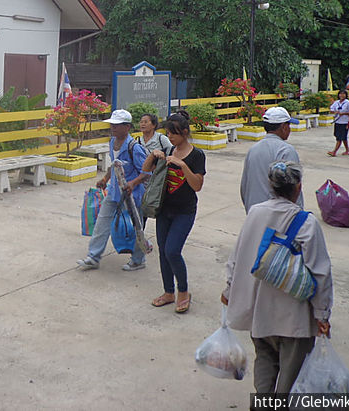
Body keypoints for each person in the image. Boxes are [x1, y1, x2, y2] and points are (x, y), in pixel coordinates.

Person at [222, 161, 333, 394]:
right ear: (298, 186)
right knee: (290, 380)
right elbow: (320, 272)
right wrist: (322, 314)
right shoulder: (306, 222)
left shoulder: (255, 213)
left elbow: (237, 255)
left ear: (270, 185)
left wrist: (229, 290)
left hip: (259, 314)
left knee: (264, 363)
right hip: (294, 319)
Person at [142, 110, 205, 313]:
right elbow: (146, 169)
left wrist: (182, 165)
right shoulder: (169, 151)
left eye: (174, 134)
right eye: (168, 134)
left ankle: (183, 291)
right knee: (163, 252)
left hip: (184, 211)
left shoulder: (196, 155)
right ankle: (169, 292)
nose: (170, 137)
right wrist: (153, 155)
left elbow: (197, 185)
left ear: (185, 133)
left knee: (172, 250)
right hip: (164, 210)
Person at [78, 109, 149, 271]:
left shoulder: (135, 148)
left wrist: (132, 183)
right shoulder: (112, 142)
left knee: (137, 227)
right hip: (114, 193)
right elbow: (114, 164)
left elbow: (146, 173)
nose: (113, 128)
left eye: (117, 125)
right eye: (112, 125)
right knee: (102, 224)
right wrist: (105, 179)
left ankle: (138, 259)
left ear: (127, 127)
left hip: (133, 196)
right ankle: (93, 257)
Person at [239, 106, 302, 213]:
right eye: (289, 125)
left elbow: (244, 186)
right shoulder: (286, 151)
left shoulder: (253, 150)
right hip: (279, 217)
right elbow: (293, 189)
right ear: (283, 127)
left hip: (255, 214)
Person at [327, 90, 349, 156]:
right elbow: (331, 109)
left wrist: (343, 113)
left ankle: (334, 151)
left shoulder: (348, 103)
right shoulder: (336, 102)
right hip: (337, 121)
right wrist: (335, 112)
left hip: (345, 122)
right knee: (340, 136)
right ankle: (347, 150)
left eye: (343, 94)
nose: (342, 95)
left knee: (340, 137)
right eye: (340, 94)